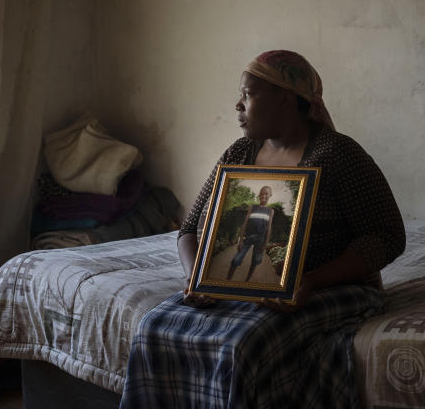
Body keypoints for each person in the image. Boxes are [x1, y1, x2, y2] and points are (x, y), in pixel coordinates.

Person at [120, 50, 406, 409]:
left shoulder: (337, 154)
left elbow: (387, 235)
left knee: (244, 344)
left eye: (248, 95)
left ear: (285, 98)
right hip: (235, 289)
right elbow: (189, 228)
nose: (238, 105)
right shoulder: (239, 153)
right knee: (154, 327)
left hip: (327, 288)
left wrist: (311, 281)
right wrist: (197, 278)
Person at [227, 185, 275, 281]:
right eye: (261, 193)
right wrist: (240, 240)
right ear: (259, 195)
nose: (263, 195)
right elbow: (245, 224)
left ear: (270, 195)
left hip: (260, 239)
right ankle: (227, 280)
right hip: (248, 237)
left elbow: (269, 229)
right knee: (236, 260)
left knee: (255, 261)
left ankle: (247, 281)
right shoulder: (252, 207)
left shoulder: (270, 211)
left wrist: (265, 244)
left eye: (266, 193)